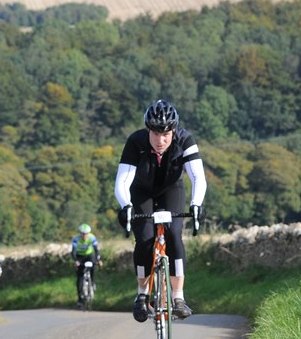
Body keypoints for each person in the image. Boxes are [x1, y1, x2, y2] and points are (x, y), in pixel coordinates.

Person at [114, 99, 206, 322]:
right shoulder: (135, 142)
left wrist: (196, 204)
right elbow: (123, 181)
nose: (160, 140)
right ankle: (142, 295)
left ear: (174, 130)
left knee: (174, 236)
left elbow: (197, 177)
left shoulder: (185, 140)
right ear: (148, 130)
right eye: (155, 133)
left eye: (166, 134)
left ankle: (178, 297)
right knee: (145, 241)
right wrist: (126, 206)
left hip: (171, 190)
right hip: (141, 192)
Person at [70, 223, 102, 308]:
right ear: (80, 233)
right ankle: (80, 299)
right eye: (83, 233)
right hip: (80, 256)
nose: (84, 235)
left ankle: (93, 282)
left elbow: (97, 249)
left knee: (93, 267)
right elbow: (73, 252)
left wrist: (98, 259)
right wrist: (76, 261)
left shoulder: (92, 238)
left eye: (86, 233)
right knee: (80, 277)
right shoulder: (76, 239)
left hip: (89, 255)